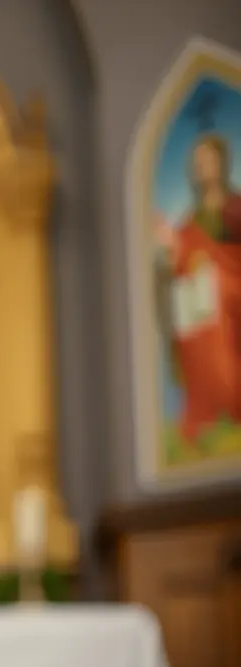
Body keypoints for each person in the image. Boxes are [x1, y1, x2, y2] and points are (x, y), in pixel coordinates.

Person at [154, 133, 241, 441]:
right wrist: (171, 248)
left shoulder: (235, 208)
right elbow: (181, 263)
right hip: (202, 308)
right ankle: (206, 419)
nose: (203, 167)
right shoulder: (190, 220)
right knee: (196, 334)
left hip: (233, 302)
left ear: (221, 164)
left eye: (208, 160)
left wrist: (219, 273)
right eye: (198, 163)